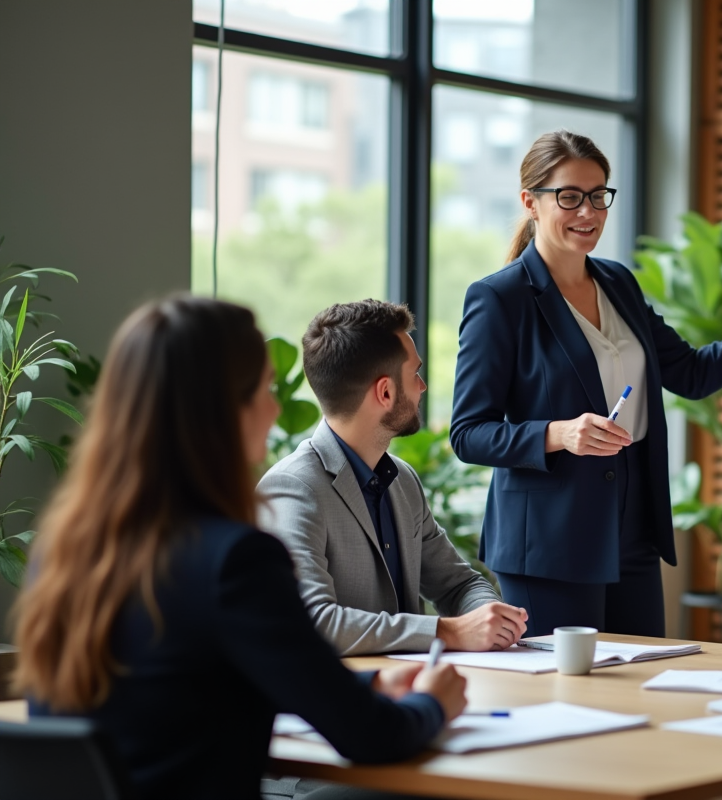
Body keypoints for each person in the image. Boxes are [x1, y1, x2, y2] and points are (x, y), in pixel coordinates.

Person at [12, 296, 467, 800]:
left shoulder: (65, 551)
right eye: (265, 390)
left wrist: (368, 686)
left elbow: (198, 682)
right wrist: (432, 703)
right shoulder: (234, 560)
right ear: (223, 412)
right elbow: (371, 736)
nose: (274, 409)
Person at [449, 129, 722, 637]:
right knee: (563, 699)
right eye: (570, 197)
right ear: (530, 202)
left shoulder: (617, 282)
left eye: (599, 196)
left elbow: (691, 373)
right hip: (551, 541)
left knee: (642, 686)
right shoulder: (499, 299)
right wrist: (560, 434)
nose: (588, 212)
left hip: (633, 527)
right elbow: (468, 432)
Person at [259, 300, 527, 656]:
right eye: (415, 373)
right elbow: (312, 621)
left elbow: (458, 584)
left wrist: (490, 618)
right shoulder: (294, 488)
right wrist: (447, 632)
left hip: (416, 692)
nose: (423, 387)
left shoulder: (402, 479)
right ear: (385, 392)